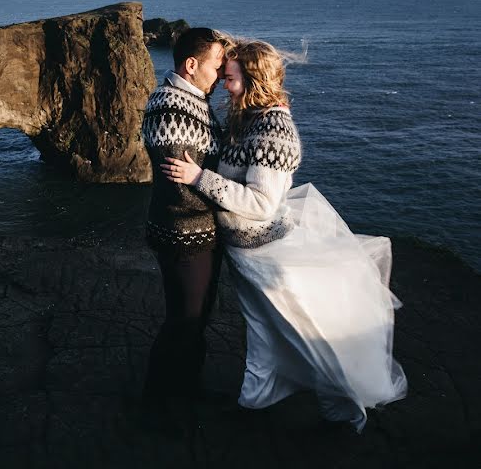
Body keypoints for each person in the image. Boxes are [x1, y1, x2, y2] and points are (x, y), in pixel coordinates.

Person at [160, 39, 407, 432]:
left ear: (254, 79)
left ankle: (342, 408)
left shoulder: (275, 129)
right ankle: (255, 401)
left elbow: (260, 203)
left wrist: (198, 177)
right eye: (224, 76)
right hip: (244, 251)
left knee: (305, 332)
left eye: (232, 78)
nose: (225, 84)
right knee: (261, 330)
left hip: (266, 254)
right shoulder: (248, 117)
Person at [139, 27, 230, 422]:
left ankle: (187, 390)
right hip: (183, 233)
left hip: (201, 233)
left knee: (197, 321)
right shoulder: (170, 105)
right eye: (216, 65)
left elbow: (201, 168)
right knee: (183, 322)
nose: (221, 74)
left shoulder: (194, 99)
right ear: (191, 65)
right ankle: (155, 406)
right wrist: (230, 196)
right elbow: (181, 186)